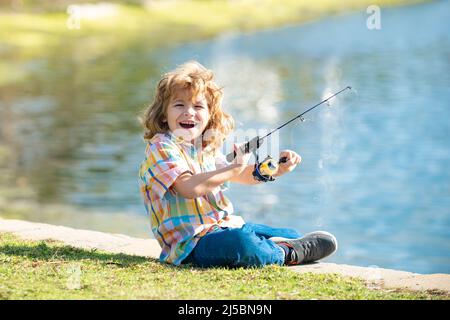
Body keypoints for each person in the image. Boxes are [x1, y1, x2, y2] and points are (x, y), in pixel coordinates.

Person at [139, 61, 337, 268]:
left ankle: (279, 245)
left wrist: (274, 169)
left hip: (223, 226)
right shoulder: (161, 147)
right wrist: (232, 167)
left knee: (290, 234)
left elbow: (239, 175)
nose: (189, 112)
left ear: (209, 116)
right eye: (179, 105)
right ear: (164, 113)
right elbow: (189, 187)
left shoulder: (204, 147)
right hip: (191, 245)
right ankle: (285, 253)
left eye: (198, 106)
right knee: (240, 243)